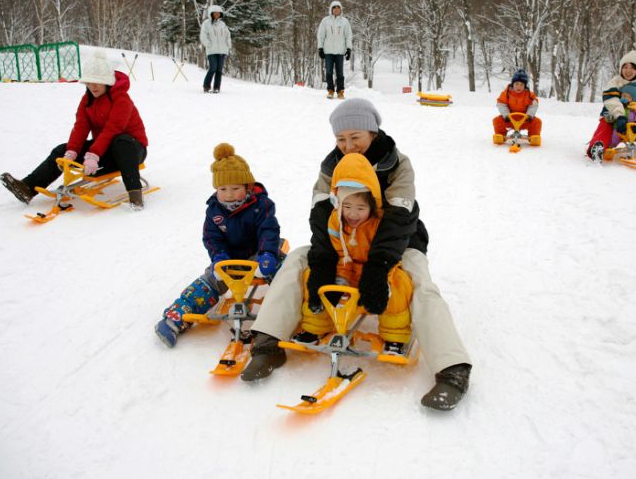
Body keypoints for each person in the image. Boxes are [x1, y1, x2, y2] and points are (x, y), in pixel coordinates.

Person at [242, 98, 472, 411]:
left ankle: (452, 369)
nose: (348, 146)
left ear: (373, 134)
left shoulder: (397, 164)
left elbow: (399, 217)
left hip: (396, 242)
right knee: (298, 258)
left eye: (356, 138)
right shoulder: (330, 167)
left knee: (417, 276)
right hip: (345, 242)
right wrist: (323, 263)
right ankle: (267, 341)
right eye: (341, 139)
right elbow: (322, 215)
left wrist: (378, 267)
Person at [155, 143, 282, 347]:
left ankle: (295, 312)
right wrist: (219, 257)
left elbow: (269, 230)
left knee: (282, 272)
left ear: (248, 187)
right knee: (209, 282)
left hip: (258, 254)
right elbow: (211, 238)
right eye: (223, 189)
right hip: (229, 259)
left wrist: (267, 254)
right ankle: (176, 317)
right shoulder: (214, 211)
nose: (229, 194)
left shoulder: (262, 205)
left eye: (235, 188)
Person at [0, 50, 148, 210]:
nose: (93, 86)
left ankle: (135, 195)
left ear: (107, 81)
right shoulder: (87, 100)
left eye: (97, 82)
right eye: (89, 82)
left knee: (121, 141)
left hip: (132, 150)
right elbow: (80, 127)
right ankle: (27, 188)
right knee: (61, 150)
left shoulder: (122, 99)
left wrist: (94, 154)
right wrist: (72, 152)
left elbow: (113, 129)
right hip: (105, 149)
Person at [295, 153, 413, 351]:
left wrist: (379, 279)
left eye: (360, 208)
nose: (352, 214)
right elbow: (341, 256)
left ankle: (395, 336)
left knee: (399, 284)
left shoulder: (378, 225)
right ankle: (315, 327)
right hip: (347, 269)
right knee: (312, 278)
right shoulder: (335, 223)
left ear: (372, 205)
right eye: (346, 206)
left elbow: (387, 257)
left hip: (374, 269)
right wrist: (339, 279)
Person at [492, 68, 542, 146]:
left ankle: (534, 136)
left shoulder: (529, 95)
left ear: (525, 86)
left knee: (537, 122)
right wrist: (506, 115)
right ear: (513, 84)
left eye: (522, 85)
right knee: (497, 120)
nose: (519, 87)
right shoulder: (506, 93)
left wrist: (529, 115)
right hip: (510, 119)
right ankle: (500, 135)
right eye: (517, 84)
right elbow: (501, 104)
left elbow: (533, 105)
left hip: (524, 120)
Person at [317, 0, 352, 100]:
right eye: (334, 8)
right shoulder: (325, 21)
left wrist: (348, 49)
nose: (336, 10)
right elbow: (321, 35)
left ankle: (340, 91)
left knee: (340, 73)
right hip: (328, 51)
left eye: (338, 8)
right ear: (331, 10)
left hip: (340, 51)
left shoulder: (345, 22)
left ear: (340, 9)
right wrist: (320, 48)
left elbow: (348, 36)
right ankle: (330, 90)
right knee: (328, 72)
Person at [200, 5, 231, 94]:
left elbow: (228, 35)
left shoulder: (222, 24)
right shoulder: (206, 24)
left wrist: (228, 44)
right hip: (212, 50)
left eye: (219, 13)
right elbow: (203, 36)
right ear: (211, 14)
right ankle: (206, 86)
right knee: (213, 68)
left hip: (222, 50)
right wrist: (208, 44)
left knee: (219, 70)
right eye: (215, 13)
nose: (217, 15)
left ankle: (216, 87)